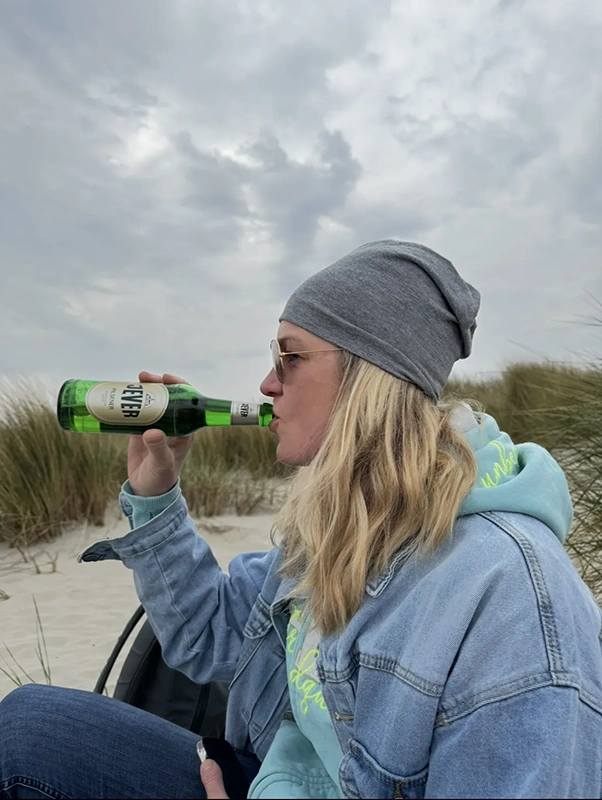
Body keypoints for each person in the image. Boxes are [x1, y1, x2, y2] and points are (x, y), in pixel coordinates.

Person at [1, 240, 601, 799]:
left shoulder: (512, 601)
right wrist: (155, 496)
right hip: (267, 778)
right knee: (29, 729)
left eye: (289, 357)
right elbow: (206, 634)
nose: (266, 384)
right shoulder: (344, 526)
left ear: (370, 377)